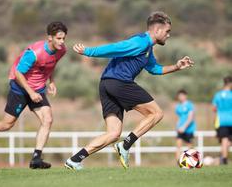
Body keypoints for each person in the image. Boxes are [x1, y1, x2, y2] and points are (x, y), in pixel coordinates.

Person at [64, 11, 194, 170]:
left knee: (113, 133)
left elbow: (154, 69)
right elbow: (115, 47)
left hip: (106, 84)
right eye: (167, 31)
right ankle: (125, 145)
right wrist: (88, 51)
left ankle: (75, 160)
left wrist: (177, 67)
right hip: (118, 82)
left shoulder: (148, 49)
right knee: (156, 113)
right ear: (157, 30)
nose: (168, 35)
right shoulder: (140, 42)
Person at [0, 21, 67, 169]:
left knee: (48, 119)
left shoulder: (61, 50)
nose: (62, 41)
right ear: (50, 38)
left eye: (64, 38)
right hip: (20, 88)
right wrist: (31, 92)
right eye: (59, 38)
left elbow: (52, 64)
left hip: (38, 89)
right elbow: (18, 74)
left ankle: (36, 159)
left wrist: (51, 81)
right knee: (7, 124)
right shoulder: (34, 53)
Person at [212, 76, 232, 165]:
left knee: (224, 140)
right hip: (231, 120)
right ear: (230, 84)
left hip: (221, 120)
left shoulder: (218, 95)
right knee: (228, 141)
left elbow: (214, 108)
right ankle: (223, 158)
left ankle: (223, 158)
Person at [175, 89, 196, 160]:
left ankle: (190, 161)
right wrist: (177, 127)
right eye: (179, 96)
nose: (180, 97)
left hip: (189, 129)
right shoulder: (178, 106)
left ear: (185, 96)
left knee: (189, 146)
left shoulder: (190, 105)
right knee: (178, 145)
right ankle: (178, 162)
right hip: (180, 129)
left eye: (182, 96)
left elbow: (191, 118)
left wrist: (184, 127)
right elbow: (178, 118)